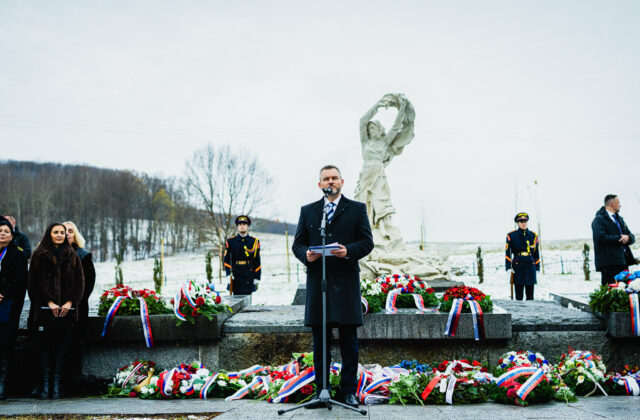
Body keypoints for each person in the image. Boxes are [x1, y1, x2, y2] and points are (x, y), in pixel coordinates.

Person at [292, 165, 374, 408]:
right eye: (326, 178)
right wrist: (306, 254)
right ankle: (322, 390)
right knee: (320, 343)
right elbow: (298, 244)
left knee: (349, 341)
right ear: (319, 184)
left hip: (346, 283)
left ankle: (348, 391)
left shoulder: (357, 209)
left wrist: (349, 250)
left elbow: (367, 242)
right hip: (320, 284)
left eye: (334, 178)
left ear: (342, 181)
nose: (331, 181)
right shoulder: (308, 211)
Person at [28, 223, 84, 399]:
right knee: (45, 348)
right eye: (56, 232)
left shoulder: (72, 255)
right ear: (49, 234)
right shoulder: (39, 255)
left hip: (66, 312)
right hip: (44, 311)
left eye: (62, 232)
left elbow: (80, 283)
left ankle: (56, 386)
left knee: (61, 348)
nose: (60, 235)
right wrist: (49, 301)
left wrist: (70, 302)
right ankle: (45, 386)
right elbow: (33, 284)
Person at [0, 216, 28, 400]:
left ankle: (2, 383)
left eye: (6, 232)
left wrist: (4, 294)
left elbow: (20, 280)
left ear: (12, 236)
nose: (2, 234)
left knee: (4, 344)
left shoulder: (17, 254)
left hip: (7, 306)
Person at [63, 221, 96, 377]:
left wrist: (73, 301)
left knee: (74, 344)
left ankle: (72, 380)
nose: (67, 233)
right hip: (55, 308)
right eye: (64, 231)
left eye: (71, 231)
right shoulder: (50, 254)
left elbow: (88, 284)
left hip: (78, 308)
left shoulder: (83, 256)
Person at [592, 194, 636, 286]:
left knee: (625, 290)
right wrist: (620, 239)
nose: (620, 205)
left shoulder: (620, 219)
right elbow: (601, 238)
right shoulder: (599, 220)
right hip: (609, 263)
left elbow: (630, 236)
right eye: (618, 202)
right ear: (612, 204)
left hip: (623, 261)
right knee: (610, 292)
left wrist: (628, 238)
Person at [505, 212, 540, 300]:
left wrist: (537, 267)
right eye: (521, 222)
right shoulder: (511, 235)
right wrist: (508, 267)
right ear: (518, 223)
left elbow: (536, 253)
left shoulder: (533, 235)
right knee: (519, 296)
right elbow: (508, 253)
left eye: (525, 221)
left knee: (530, 296)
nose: (524, 223)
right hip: (518, 266)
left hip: (530, 265)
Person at [223, 215, 261, 297]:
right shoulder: (230, 241)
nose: (242, 226)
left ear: (248, 227)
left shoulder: (254, 241)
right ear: (237, 227)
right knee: (235, 300)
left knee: (248, 300)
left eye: (244, 224)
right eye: (240, 224)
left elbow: (257, 261)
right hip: (235, 274)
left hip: (249, 274)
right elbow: (226, 260)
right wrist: (228, 274)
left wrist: (257, 277)